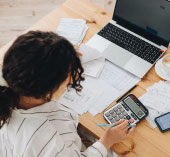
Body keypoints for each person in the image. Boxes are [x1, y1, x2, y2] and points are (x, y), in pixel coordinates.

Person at [0, 31, 134, 157]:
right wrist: (107, 141)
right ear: (50, 87)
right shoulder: (48, 139)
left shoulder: (11, 90)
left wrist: (65, 55)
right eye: (69, 74)